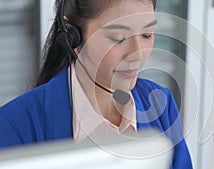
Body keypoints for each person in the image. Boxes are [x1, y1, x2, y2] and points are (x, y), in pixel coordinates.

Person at [0, 0, 193, 168]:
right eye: (119, 38)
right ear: (72, 36)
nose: (138, 54)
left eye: (147, 35)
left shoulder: (160, 105)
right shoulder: (15, 125)